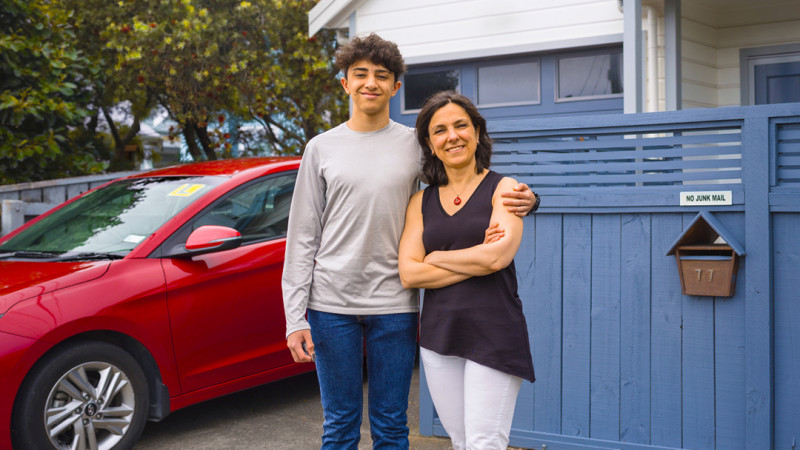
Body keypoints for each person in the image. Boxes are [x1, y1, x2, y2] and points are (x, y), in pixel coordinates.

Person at [282, 34, 536, 449]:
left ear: (396, 86)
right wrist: (296, 317)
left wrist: (530, 199)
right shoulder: (321, 148)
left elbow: (465, 177)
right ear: (344, 82)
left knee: (390, 424)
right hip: (330, 305)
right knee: (340, 425)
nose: (371, 83)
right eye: (360, 74)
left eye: (382, 76)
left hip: (396, 304)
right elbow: (302, 235)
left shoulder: (415, 145)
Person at [398, 91, 536, 450]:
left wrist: (435, 257)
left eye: (461, 125)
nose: (452, 136)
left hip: (494, 331)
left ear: (477, 131)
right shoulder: (420, 201)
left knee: (484, 443)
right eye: (440, 130)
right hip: (439, 335)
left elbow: (497, 259)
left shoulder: (505, 189)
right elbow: (410, 274)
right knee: (461, 442)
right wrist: (474, 255)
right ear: (429, 143)